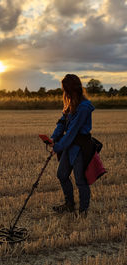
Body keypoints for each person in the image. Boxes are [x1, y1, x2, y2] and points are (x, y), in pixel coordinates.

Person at [50, 74, 95, 217]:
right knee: (62, 174)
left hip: (81, 147)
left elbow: (72, 132)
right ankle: (69, 204)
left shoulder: (84, 107)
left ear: (72, 89)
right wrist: (53, 138)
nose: (65, 93)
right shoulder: (71, 104)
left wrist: (57, 147)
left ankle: (83, 211)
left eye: (66, 89)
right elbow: (62, 122)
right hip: (69, 146)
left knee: (80, 180)